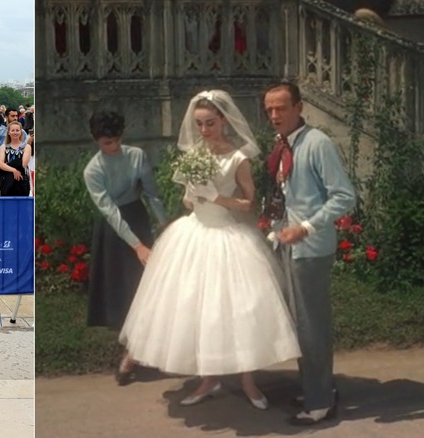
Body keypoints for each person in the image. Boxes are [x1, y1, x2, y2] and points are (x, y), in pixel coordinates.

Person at [118, 90, 301, 407]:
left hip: (227, 236)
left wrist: (217, 198)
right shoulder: (194, 155)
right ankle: (209, 379)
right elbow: (188, 199)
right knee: (196, 311)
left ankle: (248, 381)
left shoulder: (237, 157)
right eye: (199, 124)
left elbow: (249, 203)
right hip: (194, 234)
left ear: (224, 121)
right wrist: (193, 196)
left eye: (210, 124)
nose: (204, 130)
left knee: (236, 311)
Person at [263, 82, 355, 425]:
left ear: (299, 107)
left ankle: (319, 403)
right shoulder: (284, 143)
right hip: (288, 244)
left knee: (312, 325)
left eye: (281, 108)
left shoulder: (317, 143)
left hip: (310, 248)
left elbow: (344, 196)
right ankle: (318, 387)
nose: (274, 115)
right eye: (269, 109)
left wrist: (307, 228)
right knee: (300, 325)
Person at [82, 111, 167, 384]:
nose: (114, 146)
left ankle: (137, 354)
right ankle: (132, 353)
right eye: (108, 142)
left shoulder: (137, 155)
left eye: (117, 140)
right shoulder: (93, 170)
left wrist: (164, 225)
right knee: (122, 292)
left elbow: (152, 194)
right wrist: (137, 246)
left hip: (138, 217)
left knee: (146, 288)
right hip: (113, 230)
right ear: (97, 141)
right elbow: (110, 212)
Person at [0, 121, 31, 196]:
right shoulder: (4, 147)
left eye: (17, 130)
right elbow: (0, 164)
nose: (15, 132)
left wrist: (7, 165)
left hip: (22, 180)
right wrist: (14, 170)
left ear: (21, 132)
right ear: (8, 132)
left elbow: (23, 164)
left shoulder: (26, 147)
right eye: (12, 130)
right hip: (7, 180)